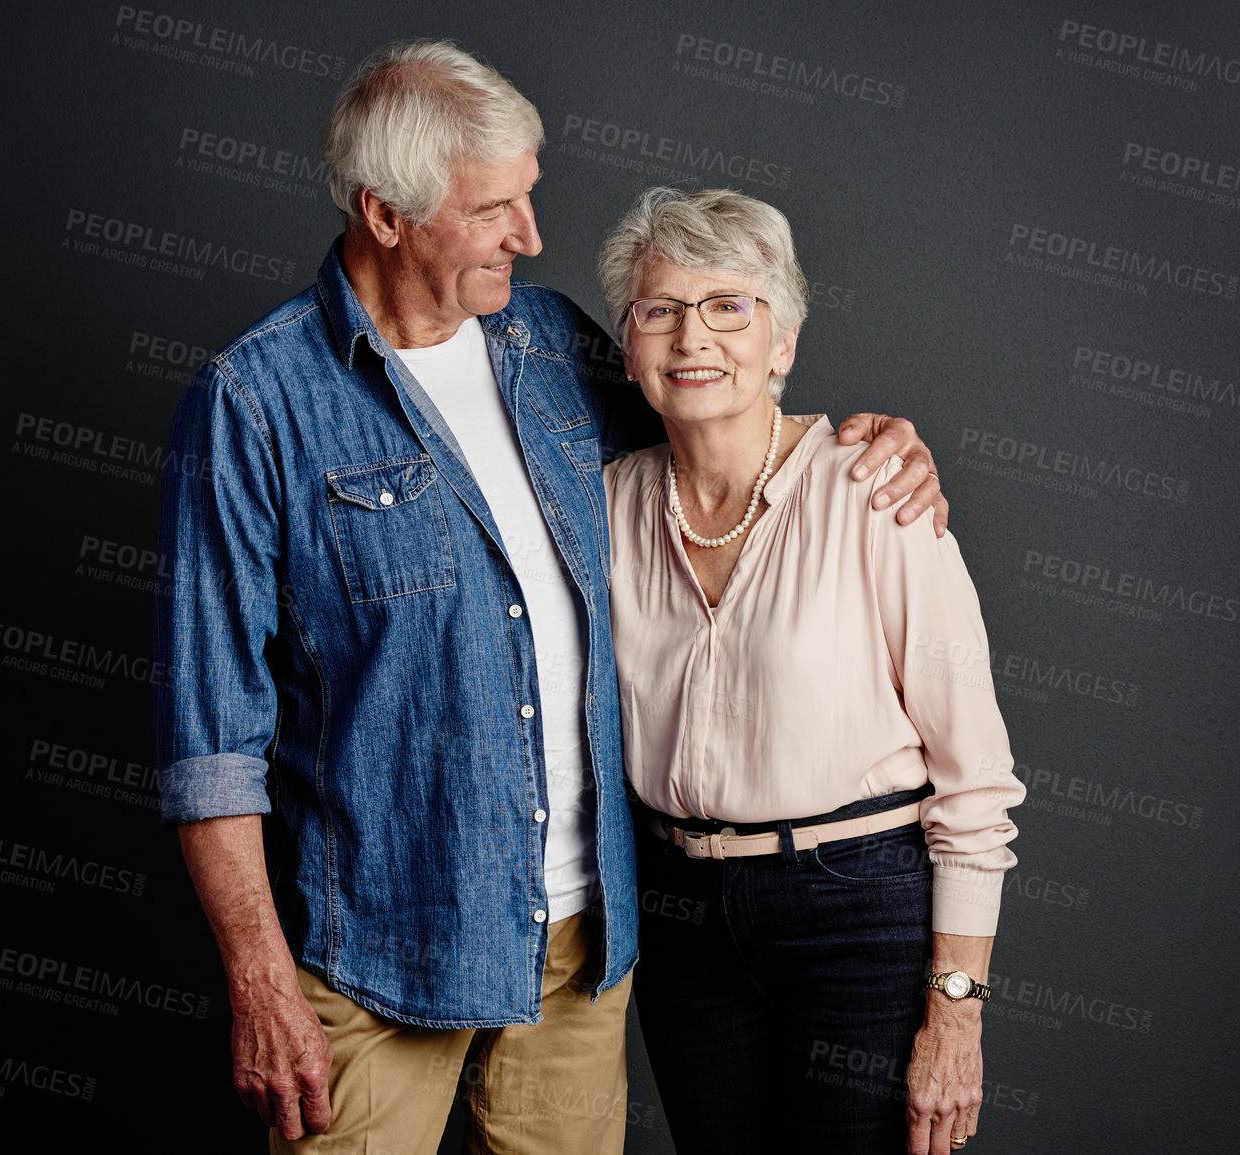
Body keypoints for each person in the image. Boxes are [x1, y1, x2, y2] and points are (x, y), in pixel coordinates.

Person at [154, 41, 950, 1154]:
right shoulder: (256, 403)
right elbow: (211, 738)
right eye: (495, 210)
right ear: (386, 214)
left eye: (529, 198)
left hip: (586, 949)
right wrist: (257, 978)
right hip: (382, 950)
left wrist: (866, 442)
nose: (530, 237)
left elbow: (720, 453)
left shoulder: (557, 346)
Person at [598, 186, 1026, 1155]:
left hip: (857, 909)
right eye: (659, 309)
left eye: (729, 306)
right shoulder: (602, 507)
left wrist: (957, 1011)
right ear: (630, 348)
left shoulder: (876, 492)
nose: (692, 337)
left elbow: (977, 778)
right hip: (682, 916)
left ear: (783, 342)